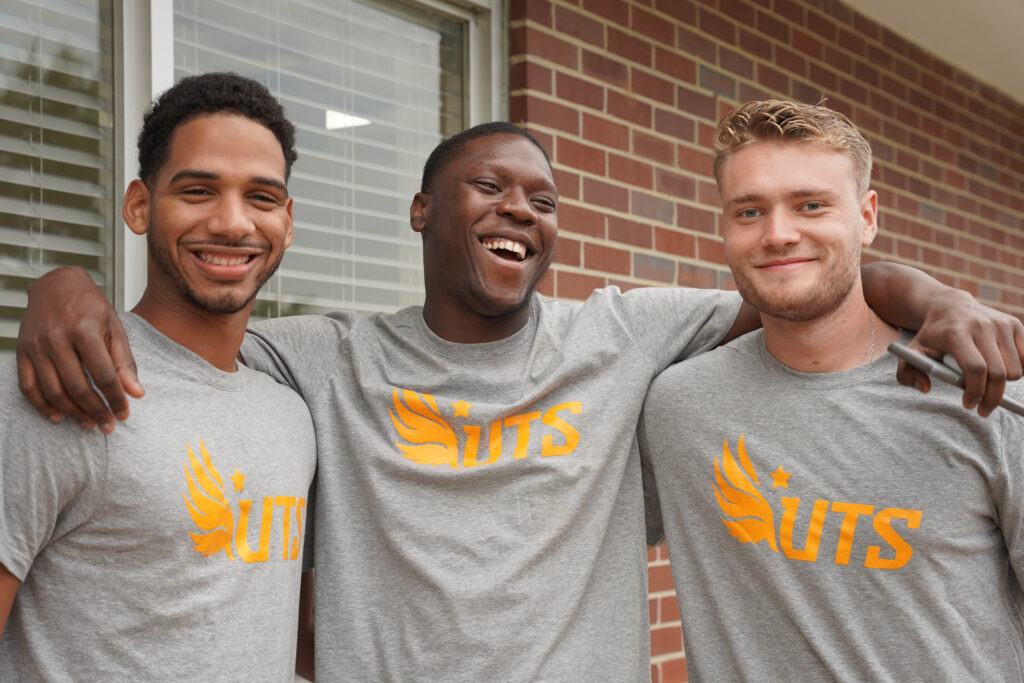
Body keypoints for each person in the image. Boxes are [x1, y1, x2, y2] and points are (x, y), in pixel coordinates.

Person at [13, 121, 1024, 680]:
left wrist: (937, 295)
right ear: (421, 210)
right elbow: (189, 336)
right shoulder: (322, 358)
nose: (519, 209)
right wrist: (63, 286)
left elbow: (799, 279)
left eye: (541, 199)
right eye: (486, 186)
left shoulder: (622, 335)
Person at [640, 99, 1024, 679]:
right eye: (748, 212)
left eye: (810, 205)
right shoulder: (676, 405)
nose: (778, 234)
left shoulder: (987, 397)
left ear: (866, 217)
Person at [0, 72, 317, 680]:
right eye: (198, 190)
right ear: (140, 205)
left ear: (288, 219)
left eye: (262, 197)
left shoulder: (291, 412)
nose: (232, 223)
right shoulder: (63, 385)